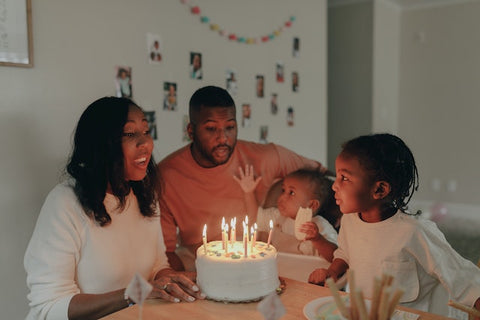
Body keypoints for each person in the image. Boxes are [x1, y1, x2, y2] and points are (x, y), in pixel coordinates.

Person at [24, 97, 204, 320]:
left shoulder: (145, 196)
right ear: (101, 144)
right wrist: (133, 294)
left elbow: (157, 266)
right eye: (129, 135)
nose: (146, 143)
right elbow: (50, 307)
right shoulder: (65, 203)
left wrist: (171, 280)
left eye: (146, 132)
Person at [157, 86, 332, 271]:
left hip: (258, 261)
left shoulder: (264, 157)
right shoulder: (166, 177)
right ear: (191, 131)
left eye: (230, 127)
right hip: (199, 263)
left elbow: (321, 176)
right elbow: (165, 252)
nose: (223, 138)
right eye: (211, 129)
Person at [308, 133, 480, 319]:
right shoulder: (349, 220)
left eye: (345, 178)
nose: (335, 186)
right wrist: (332, 272)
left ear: (379, 190)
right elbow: (345, 253)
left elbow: (456, 271)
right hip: (365, 312)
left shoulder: (413, 231)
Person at [234, 166, 338, 261]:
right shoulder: (278, 216)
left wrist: (318, 239)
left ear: (311, 205)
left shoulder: (319, 226)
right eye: (283, 190)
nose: (282, 197)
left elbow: (336, 255)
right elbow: (255, 217)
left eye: (291, 193)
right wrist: (248, 192)